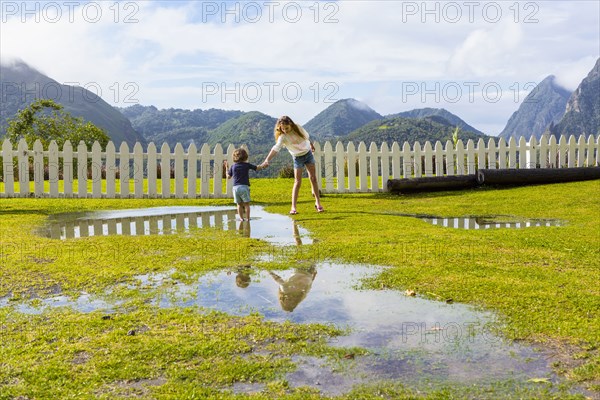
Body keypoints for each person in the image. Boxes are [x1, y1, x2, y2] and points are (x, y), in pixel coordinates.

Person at [259, 115, 324, 215]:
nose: (285, 130)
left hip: (308, 154)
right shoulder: (283, 137)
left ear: (291, 125)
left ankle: (318, 203)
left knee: (313, 178)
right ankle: (293, 207)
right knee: (297, 182)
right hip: (297, 158)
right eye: (283, 129)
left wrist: (310, 145)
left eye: (287, 128)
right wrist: (267, 160)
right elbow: (276, 148)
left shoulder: (298, 128)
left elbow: (306, 137)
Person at [225, 148, 263, 221]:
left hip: (235, 188)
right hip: (244, 187)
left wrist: (226, 168)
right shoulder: (246, 165)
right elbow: (257, 168)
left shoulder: (233, 166)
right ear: (245, 156)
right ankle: (248, 218)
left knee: (239, 204)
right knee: (246, 204)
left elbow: (228, 177)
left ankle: (241, 218)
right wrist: (263, 165)